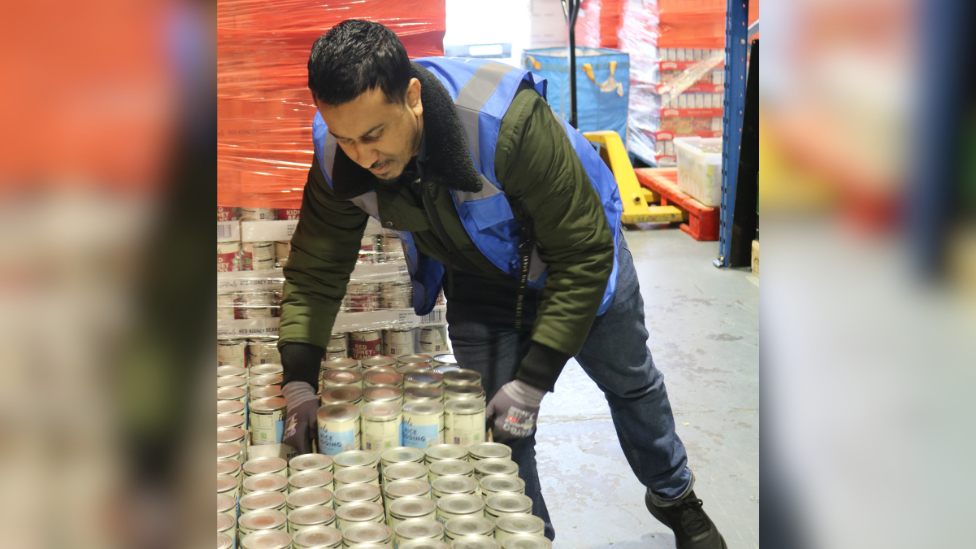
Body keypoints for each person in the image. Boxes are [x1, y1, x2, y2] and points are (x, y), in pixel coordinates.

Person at [277, 19, 727, 548]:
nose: (363, 156)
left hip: (578, 259)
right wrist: (299, 380)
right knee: (497, 429)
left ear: (413, 98)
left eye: (374, 135)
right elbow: (316, 269)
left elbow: (580, 254)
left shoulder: (504, 124)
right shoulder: (341, 155)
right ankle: (529, 537)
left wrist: (534, 380)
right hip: (482, 277)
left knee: (631, 384)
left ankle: (676, 498)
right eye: (347, 138)